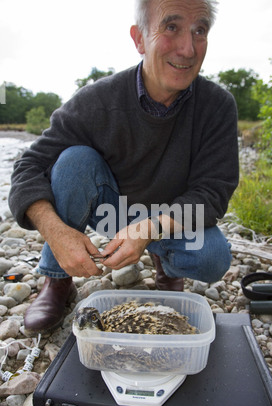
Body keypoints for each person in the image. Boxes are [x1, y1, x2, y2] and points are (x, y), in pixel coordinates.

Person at [9, 0, 239, 335]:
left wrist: (148, 229)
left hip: (167, 219)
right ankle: (57, 280)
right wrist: (57, 234)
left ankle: (167, 267)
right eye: (171, 27)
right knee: (73, 161)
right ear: (139, 39)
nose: (188, 49)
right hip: (112, 213)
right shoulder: (97, 100)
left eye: (199, 31)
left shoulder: (217, 106)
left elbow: (213, 191)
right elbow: (29, 166)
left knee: (213, 257)